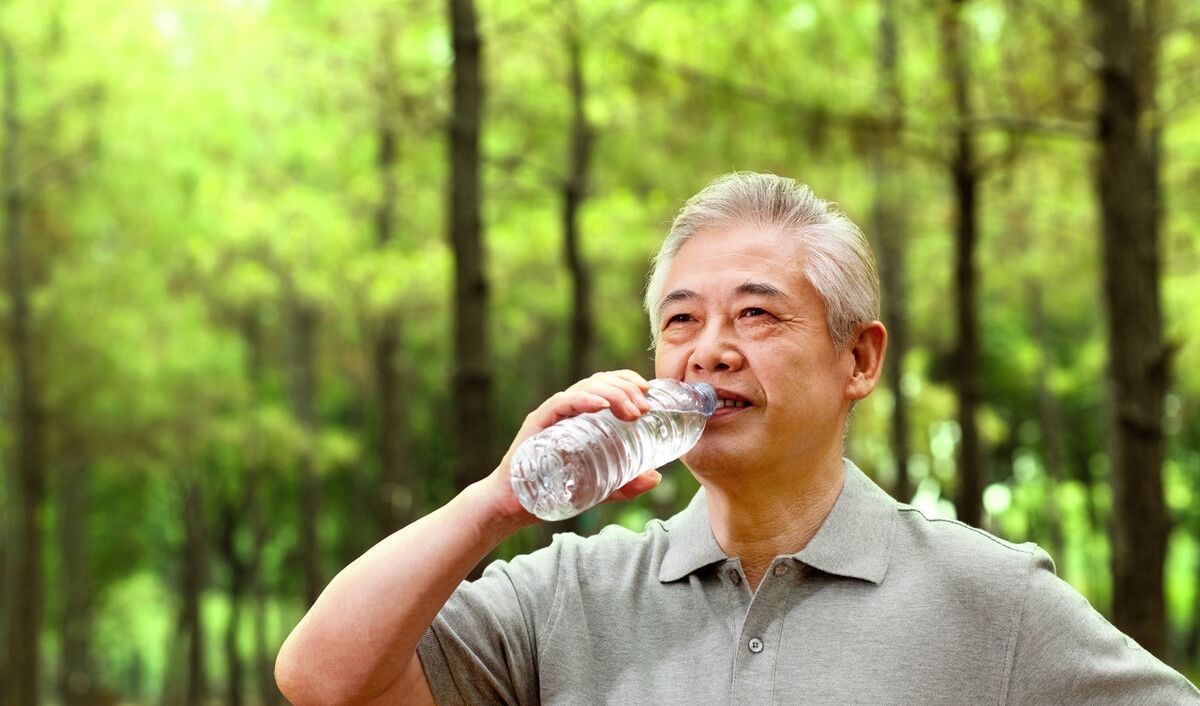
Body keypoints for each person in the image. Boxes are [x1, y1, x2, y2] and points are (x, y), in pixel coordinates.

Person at [275, 172, 1200, 705]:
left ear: (860, 359)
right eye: (681, 323)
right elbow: (322, 677)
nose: (708, 351)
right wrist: (496, 502)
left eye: (757, 315)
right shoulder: (568, 597)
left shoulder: (988, 598)